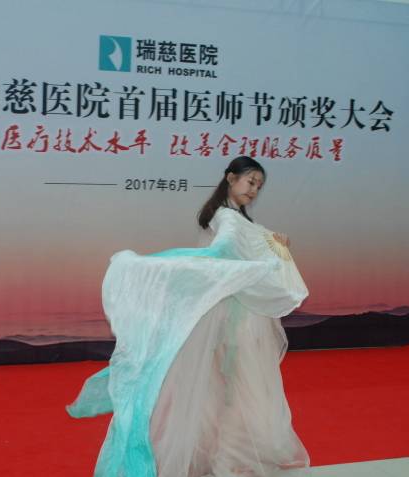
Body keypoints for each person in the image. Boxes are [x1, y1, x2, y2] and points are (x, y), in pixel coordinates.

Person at [68, 156, 311, 477]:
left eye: (259, 186)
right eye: (250, 181)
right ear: (231, 178)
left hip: (238, 314)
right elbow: (220, 253)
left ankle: (223, 454)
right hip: (232, 317)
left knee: (225, 387)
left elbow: (246, 248)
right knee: (234, 386)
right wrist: (260, 265)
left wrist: (274, 245)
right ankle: (226, 457)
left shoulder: (238, 219)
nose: (254, 190)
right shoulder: (227, 217)